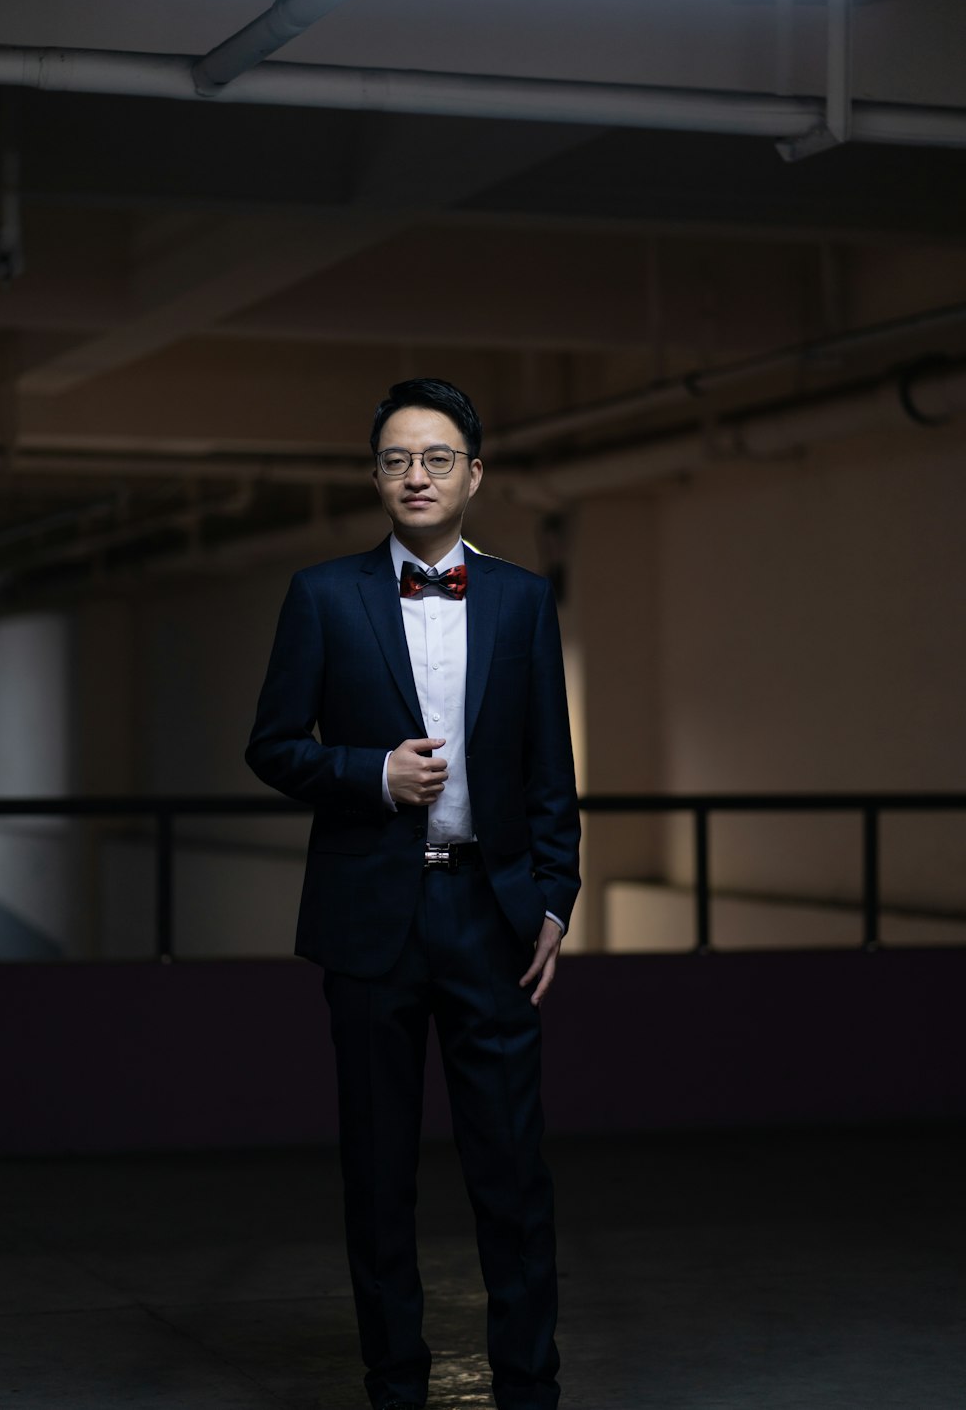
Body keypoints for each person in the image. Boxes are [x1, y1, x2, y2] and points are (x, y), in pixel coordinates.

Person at [246, 377, 581, 1410]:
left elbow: (547, 774)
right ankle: (395, 1382)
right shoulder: (321, 594)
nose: (416, 475)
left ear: (473, 474)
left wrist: (556, 903)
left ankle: (529, 1387)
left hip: (491, 913)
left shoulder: (523, 598)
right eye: (396, 458)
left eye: (436, 457)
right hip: (370, 919)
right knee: (378, 1174)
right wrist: (369, 774)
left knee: (512, 1175)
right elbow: (270, 745)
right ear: (376, 475)